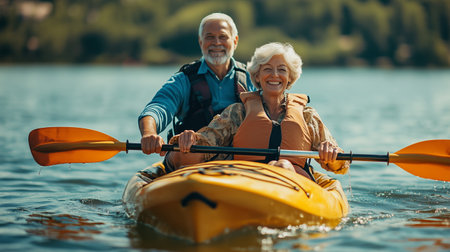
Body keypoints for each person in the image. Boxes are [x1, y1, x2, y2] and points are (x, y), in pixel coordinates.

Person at [164, 42, 349, 180]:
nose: (275, 75)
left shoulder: (307, 116)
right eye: (267, 69)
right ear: (257, 77)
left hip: (295, 185)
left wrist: (331, 154)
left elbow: (340, 165)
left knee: (283, 165)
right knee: (185, 155)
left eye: (282, 70)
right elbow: (206, 142)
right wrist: (189, 139)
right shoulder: (239, 112)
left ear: (290, 78)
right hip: (247, 180)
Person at [139, 13, 255, 156]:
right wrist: (149, 133)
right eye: (210, 37)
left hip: (238, 159)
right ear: (201, 42)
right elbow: (158, 107)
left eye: (223, 37)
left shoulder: (252, 78)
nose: (217, 43)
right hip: (192, 156)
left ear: (235, 41)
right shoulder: (184, 79)